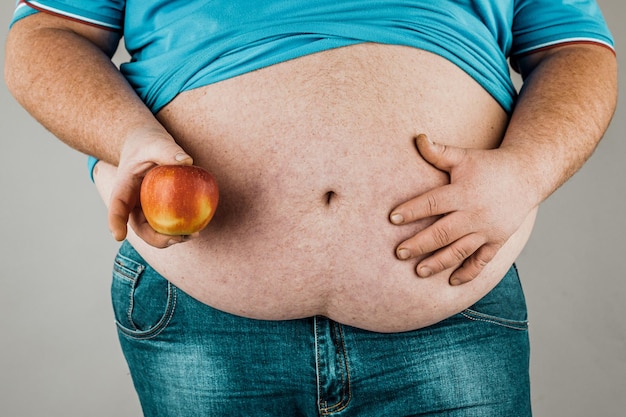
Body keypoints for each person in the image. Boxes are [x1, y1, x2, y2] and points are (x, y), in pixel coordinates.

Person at [5, 0, 617, 415]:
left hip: (452, 298)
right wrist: (128, 138)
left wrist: (526, 171)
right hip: (200, 309)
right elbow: (46, 32)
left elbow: (575, 48)